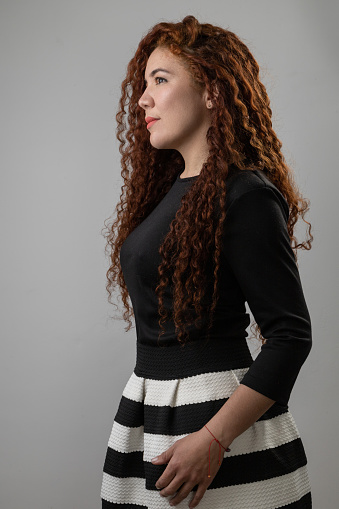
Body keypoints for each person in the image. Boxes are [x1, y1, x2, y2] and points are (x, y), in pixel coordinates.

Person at [100, 15, 313, 509]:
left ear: (213, 92)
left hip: (215, 429)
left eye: (160, 80)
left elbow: (290, 337)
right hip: (152, 415)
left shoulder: (246, 195)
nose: (143, 100)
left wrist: (213, 440)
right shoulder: (172, 195)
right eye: (144, 83)